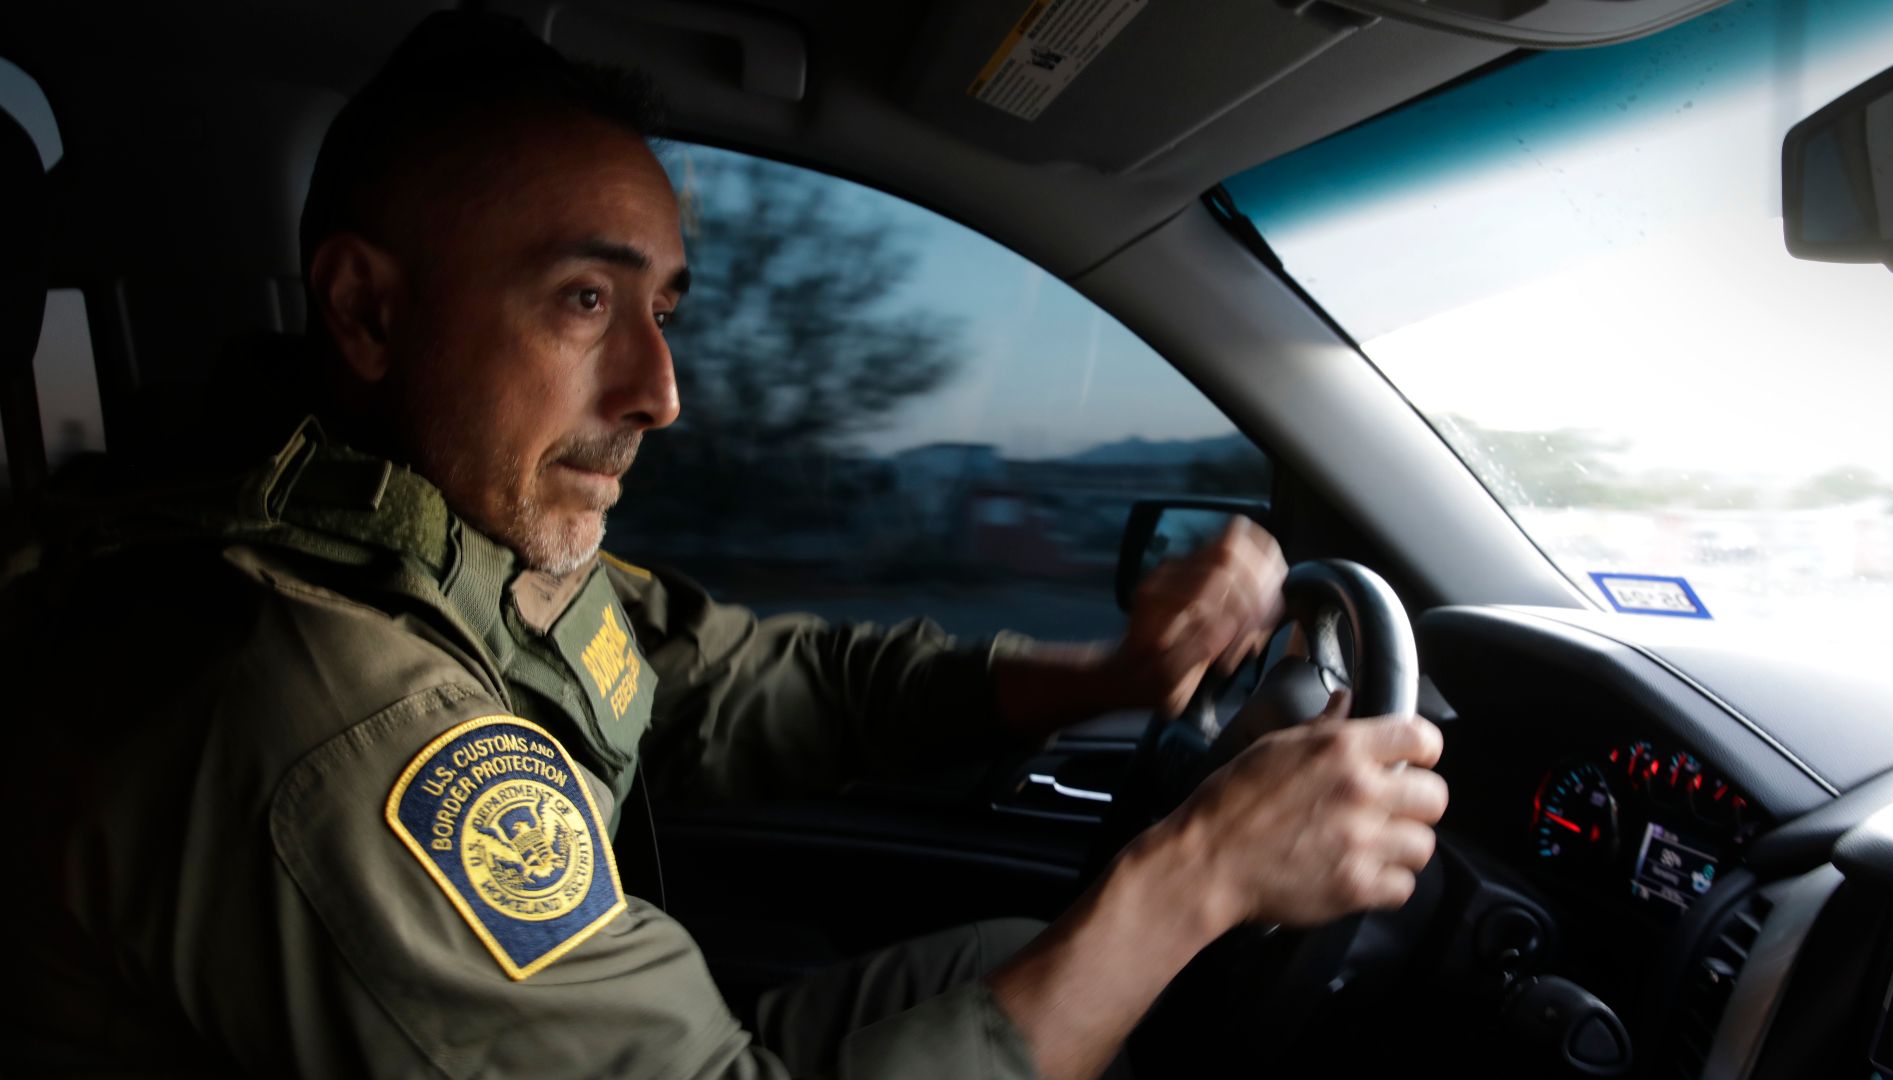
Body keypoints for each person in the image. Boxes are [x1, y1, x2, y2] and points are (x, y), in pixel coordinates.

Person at [16, 12, 1446, 1079]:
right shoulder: (321, 713)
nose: (661, 390)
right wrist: (1196, 881)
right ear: (369, 312)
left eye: (665, 310)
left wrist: (1113, 676)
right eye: (585, 300)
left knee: (1014, 965)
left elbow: (749, 680)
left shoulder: (441, 551)